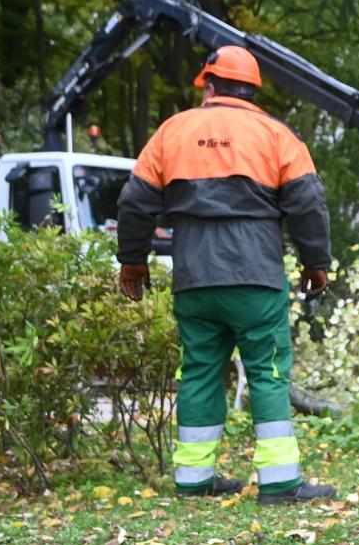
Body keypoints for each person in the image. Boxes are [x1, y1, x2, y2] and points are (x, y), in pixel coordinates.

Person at [115, 45, 336, 505]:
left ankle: (194, 480)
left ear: (209, 87)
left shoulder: (172, 131)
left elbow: (135, 202)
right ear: (253, 91)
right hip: (255, 276)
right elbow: (308, 203)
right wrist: (317, 263)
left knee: (199, 372)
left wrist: (132, 261)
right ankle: (278, 483)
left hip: (194, 277)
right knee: (268, 374)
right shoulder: (276, 135)